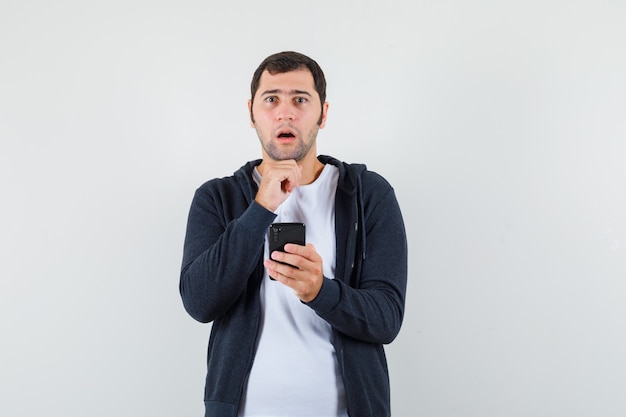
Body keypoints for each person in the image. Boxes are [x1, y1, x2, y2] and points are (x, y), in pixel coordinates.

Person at [180, 51, 408, 417]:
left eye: (300, 100)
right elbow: (199, 302)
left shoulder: (368, 193)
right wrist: (260, 209)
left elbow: (386, 318)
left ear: (323, 113)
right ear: (252, 113)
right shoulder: (217, 197)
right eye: (272, 100)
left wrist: (320, 291)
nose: (285, 113)